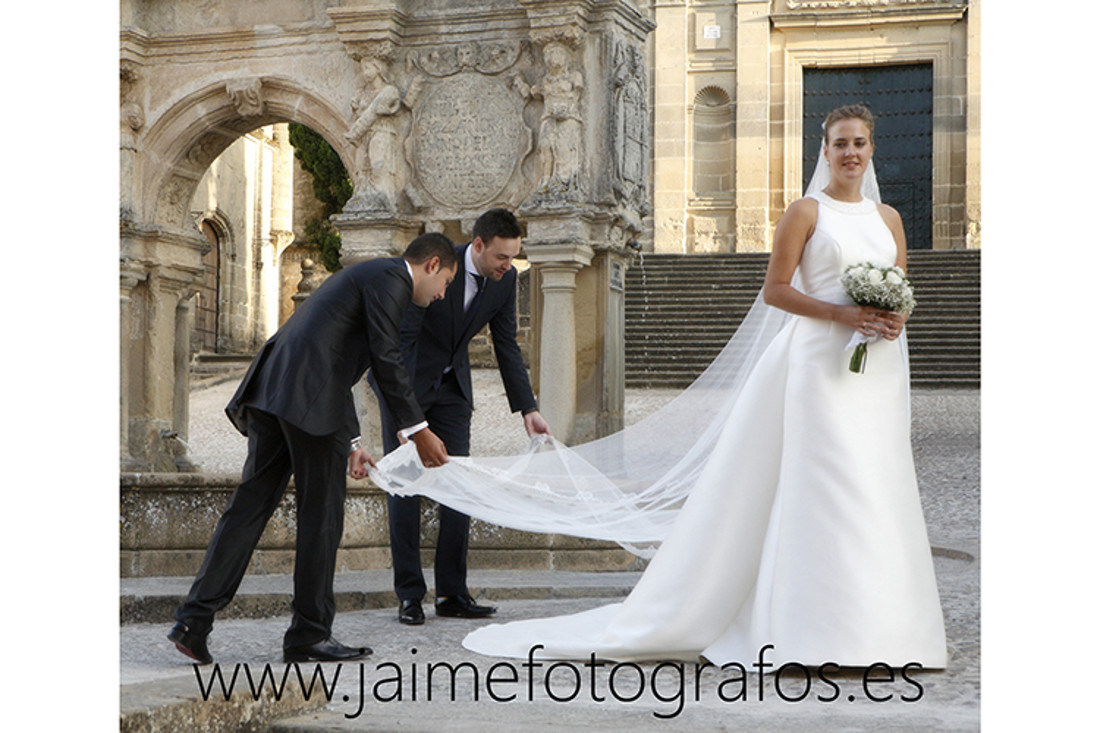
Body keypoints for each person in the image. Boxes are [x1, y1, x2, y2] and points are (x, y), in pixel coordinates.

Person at [457, 105, 947, 669]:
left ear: (872, 148)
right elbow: (776, 292)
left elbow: (900, 288)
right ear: (825, 148)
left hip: (878, 368)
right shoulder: (806, 213)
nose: (851, 153)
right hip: (818, 364)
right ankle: (815, 632)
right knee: (829, 482)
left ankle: (884, 630)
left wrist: (892, 319)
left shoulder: (888, 218)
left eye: (860, 142)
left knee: (878, 481)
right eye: (841, 143)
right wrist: (844, 316)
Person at [167, 234, 456, 665]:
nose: (441, 295)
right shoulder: (394, 278)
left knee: (248, 510)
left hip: (275, 391)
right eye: (446, 283)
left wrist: (354, 443)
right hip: (307, 400)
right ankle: (309, 634)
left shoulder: (369, 277)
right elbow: (384, 356)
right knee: (321, 519)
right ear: (432, 264)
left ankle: (193, 621)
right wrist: (419, 429)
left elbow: (335, 359)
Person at [371, 208, 552, 627]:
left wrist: (529, 409)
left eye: (513, 258)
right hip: (407, 389)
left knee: (460, 487)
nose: (508, 267)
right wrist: (406, 416)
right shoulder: (437, 267)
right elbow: (404, 341)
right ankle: (410, 595)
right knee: (405, 489)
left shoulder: (504, 282)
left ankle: (453, 593)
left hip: (453, 392)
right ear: (478, 245)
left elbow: (507, 345)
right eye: (502, 258)